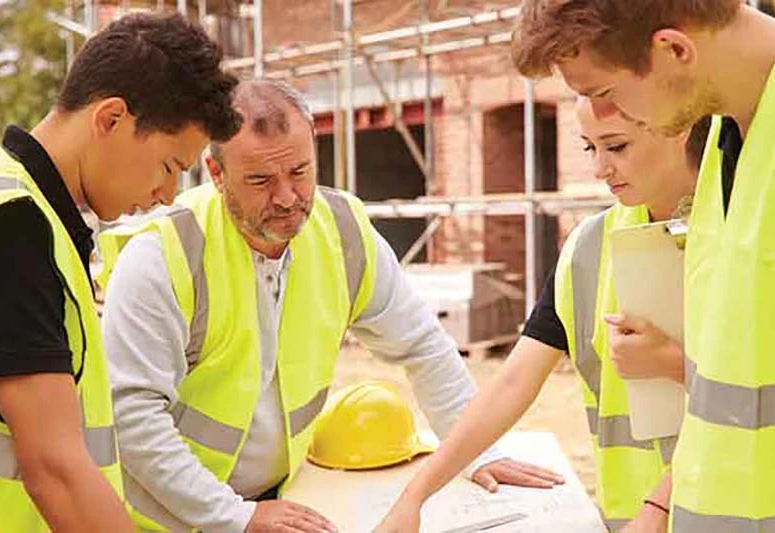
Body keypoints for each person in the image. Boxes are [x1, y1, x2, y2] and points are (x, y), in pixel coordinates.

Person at [97, 79, 561, 533]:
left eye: (299, 172)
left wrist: (477, 451)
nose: (286, 197)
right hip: (159, 520)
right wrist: (235, 517)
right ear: (217, 174)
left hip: (273, 503)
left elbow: (422, 345)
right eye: (259, 179)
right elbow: (135, 421)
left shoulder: (342, 232)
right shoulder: (163, 257)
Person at [512, 1, 775, 531]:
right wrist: (659, 508)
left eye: (605, 94)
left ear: (673, 49)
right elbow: (729, 384)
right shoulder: (723, 139)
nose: (606, 114)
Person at [0, 12, 241, 532]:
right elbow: (57, 470)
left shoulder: (14, 208)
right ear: (111, 119)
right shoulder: (10, 229)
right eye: (170, 167)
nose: (168, 195)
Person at [375, 96, 709, 533]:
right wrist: (416, 496)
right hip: (628, 517)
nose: (599, 169)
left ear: (677, 124)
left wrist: (674, 365)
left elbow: (755, 394)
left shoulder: (740, 233)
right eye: (590, 148)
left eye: (617, 146)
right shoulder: (588, 248)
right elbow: (512, 383)